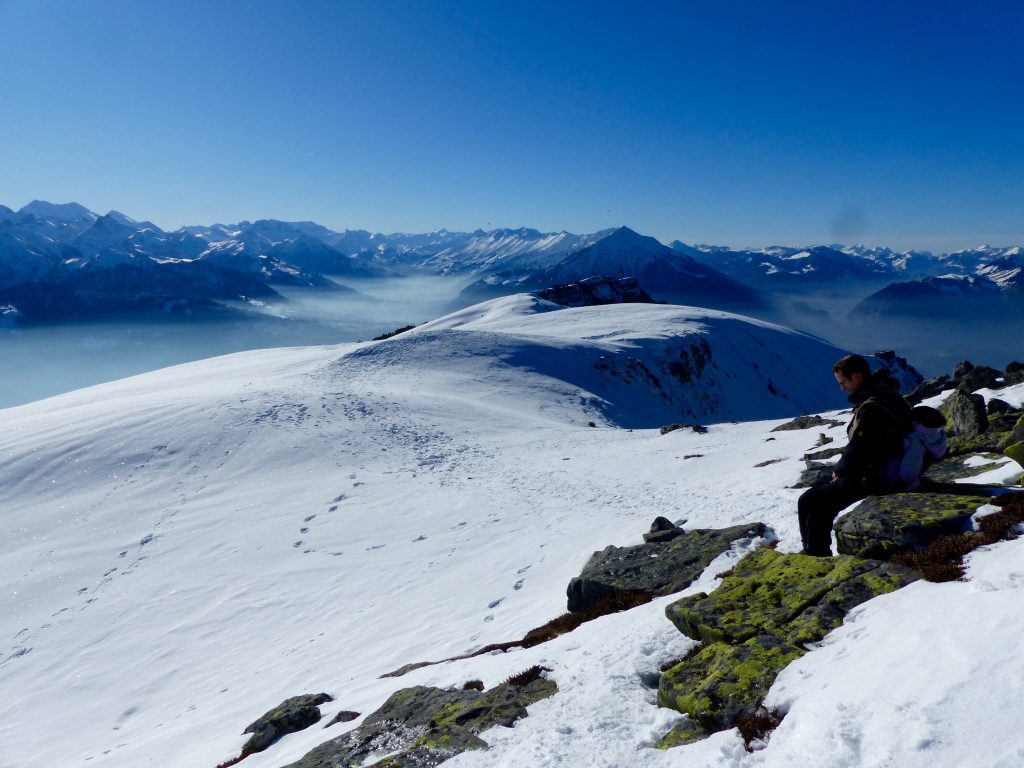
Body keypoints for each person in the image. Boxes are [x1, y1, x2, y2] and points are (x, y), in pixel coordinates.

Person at [798, 354, 912, 556]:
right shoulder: (887, 395)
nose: (842, 388)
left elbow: (860, 447)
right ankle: (815, 553)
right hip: (891, 468)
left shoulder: (873, 407)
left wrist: (840, 471)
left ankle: (815, 558)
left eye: (843, 382)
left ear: (857, 377)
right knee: (817, 503)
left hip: (877, 475)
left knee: (810, 503)